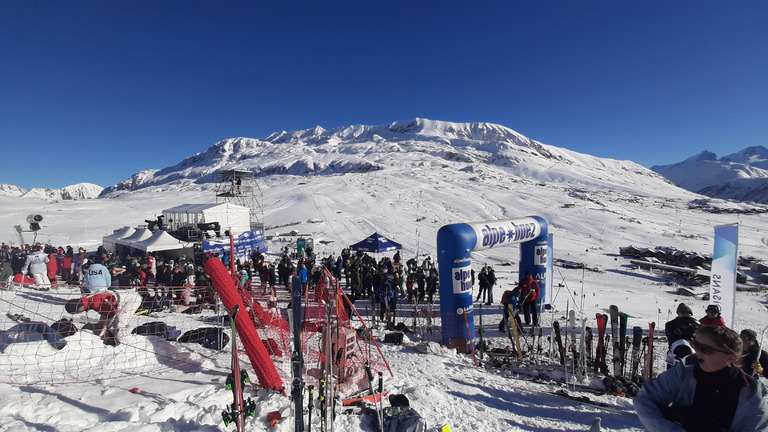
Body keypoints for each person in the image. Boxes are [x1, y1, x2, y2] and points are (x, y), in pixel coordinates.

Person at [634, 325, 768, 431]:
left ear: (731, 358)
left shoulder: (752, 392)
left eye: (706, 349)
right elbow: (645, 399)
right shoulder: (683, 373)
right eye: (696, 345)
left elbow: (758, 427)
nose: (697, 352)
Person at [64, 289, 142, 346]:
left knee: (119, 323)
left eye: (77, 312)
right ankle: (111, 339)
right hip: (119, 300)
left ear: (79, 307)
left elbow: (113, 313)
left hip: (131, 300)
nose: (79, 313)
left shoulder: (96, 303)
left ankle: (123, 344)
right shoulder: (90, 300)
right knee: (104, 324)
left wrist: (107, 327)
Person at [664, 303, 700, 369]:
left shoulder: (696, 324)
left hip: (691, 351)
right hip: (675, 353)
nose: (685, 314)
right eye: (682, 312)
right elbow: (671, 337)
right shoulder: (671, 324)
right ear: (678, 313)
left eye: (688, 312)